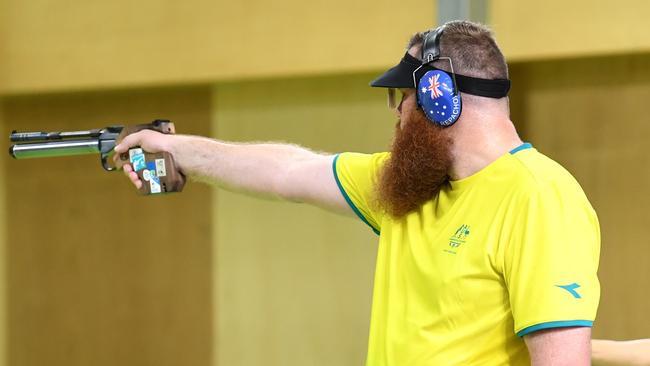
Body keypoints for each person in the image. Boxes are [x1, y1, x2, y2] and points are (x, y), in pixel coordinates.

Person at [114, 20, 600, 365]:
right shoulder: (411, 188)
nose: (397, 114)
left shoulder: (539, 196)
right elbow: (290, 171)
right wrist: (177, 151)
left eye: (402, 98)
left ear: (438, 95)